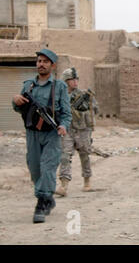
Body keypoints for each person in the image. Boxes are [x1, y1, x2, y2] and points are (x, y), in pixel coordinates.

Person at [12, 49, 71, 223]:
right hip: (32, 134)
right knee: (35, 168)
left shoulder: (59, 87)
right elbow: (20, 107)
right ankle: (48, 198)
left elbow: (67, 113)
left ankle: (42, 202)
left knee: (48, 167)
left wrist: (63, 125)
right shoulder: (28, 85)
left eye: (45, 61)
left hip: (52, 134)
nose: (41, 64)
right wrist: (15, 100)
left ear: (52, 65)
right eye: (39, 61)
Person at [55, 67, 98, 196]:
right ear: (65, 81)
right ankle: (64, 186)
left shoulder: (83, 95)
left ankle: (87, 181)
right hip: (67, 130)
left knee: (84, 156)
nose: (75, 82)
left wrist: (84, 110)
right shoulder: (59, 96)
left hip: (83, 130)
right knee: (65, 156)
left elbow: (94, 109)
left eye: (76, 79)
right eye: (72, 79)